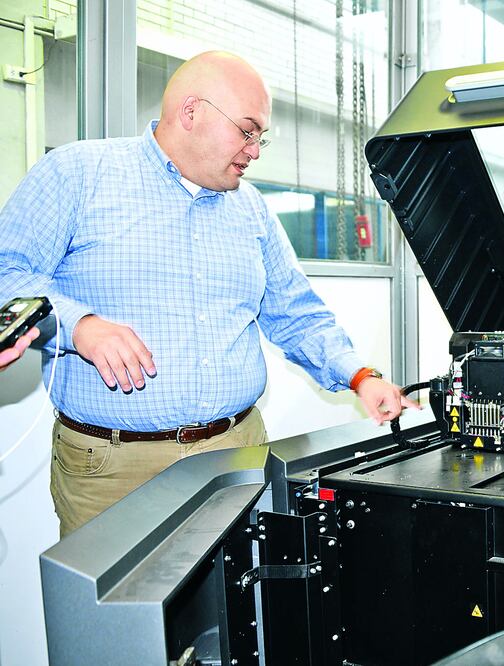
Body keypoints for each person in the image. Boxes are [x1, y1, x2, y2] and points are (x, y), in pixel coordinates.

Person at [0, 51, 418, 537]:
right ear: (191, 111)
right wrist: (81, 326)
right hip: (112, 470)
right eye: (247, 130)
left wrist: (360, 376)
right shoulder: (77, 174)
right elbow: (8, 271)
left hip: (237, 454)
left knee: (242, 610)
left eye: (261, 136)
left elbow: (296, 315)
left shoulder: (253, 210)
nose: (255, 149)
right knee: (121, 613)